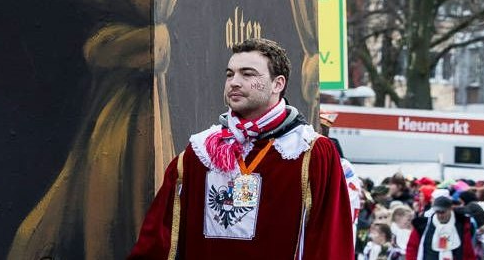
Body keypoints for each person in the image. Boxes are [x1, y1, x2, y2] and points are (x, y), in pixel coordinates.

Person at [127, 37, 352, 259]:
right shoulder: (200, 152)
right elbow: (157, 240)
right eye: (229, 74)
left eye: (247, 74)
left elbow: (330, 243)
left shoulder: (310, 152)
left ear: (278, 84)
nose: (234, 82)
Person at [406, 194, 477, 260]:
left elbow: (468, 251)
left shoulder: (461, 224)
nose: (440, 215)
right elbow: (412, 247)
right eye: (437, 212)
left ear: (450, 209)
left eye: (442, 212)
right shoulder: (423, 225)